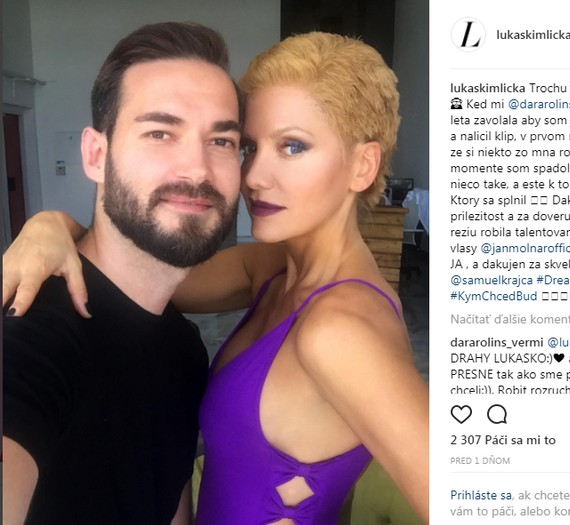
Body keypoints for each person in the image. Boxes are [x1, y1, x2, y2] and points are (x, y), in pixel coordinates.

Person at [3, 32, 430, 524]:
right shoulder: (272, 269)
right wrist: (52, 225)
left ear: (363, 165)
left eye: (293, 146)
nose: (254, 177)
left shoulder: (341, 327)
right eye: (247, 147)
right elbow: (139, 273)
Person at [2, 22, 244, 524]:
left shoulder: (183, 347)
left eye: (221, 140)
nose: (197, 169)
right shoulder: (28, 336)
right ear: (96, 155)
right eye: (160, 133)